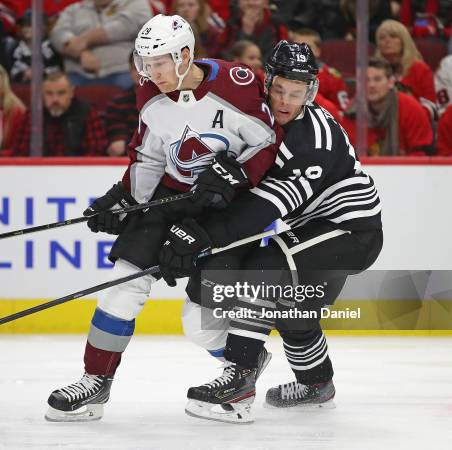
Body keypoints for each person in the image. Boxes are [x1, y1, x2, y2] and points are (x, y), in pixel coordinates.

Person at [45, 14, 280, 422]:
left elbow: (267, 142)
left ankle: (243, 366)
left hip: (230, 208)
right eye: (145, 64)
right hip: (174, 197)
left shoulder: (236, 83)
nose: (151, 73)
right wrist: (127, 200)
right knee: (123, 282)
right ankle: (95, 380)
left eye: (160, 63)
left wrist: (234, 174)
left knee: (200, 322)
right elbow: (149, 151)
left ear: (186, 56)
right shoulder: (149, 92)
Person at [159, 40, 383, 423]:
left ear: (310, 92)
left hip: (350, 231)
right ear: (268, 82)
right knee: (293, 305)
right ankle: (316, 384)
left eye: (297, 93)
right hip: (315, 228)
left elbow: (262, 210)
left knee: (266, 264)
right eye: (280, 89)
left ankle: (240, 380)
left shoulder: (313, 141)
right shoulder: (259, 119)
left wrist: (203, 237)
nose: (285, 100)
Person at [50, 0, 153, 89]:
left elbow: (127, 25)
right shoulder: (73, 10)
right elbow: (57, 34)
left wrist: (85, 40)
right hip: (78, 73)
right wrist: (81, 53)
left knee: (139, 84)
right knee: (57, 88)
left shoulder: (135, 3)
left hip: (123, 71)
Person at [342, 57, 434, 156]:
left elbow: (421, 154)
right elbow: (347, 155)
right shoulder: (351, 112)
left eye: (377, 79)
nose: (371, 85)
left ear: (390, 82)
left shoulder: (411, 108)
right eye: (366, 80)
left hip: (406, 169)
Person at [15, 71, 107, 156]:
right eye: (49, 93)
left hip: (77, 170)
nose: (55, 99)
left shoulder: (87, 112)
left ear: (71, 92)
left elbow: (97, 151)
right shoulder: (33, 115)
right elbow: (21, 152)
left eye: (61, 93)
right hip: (40, 170)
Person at [375, 19, 437, 104]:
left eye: (393, 36)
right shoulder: (373, 70)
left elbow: (431, 105)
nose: (387, 40)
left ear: (404, 41)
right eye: (382, 38)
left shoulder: (421, 69)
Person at [292, 27, 350, 111]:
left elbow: (341, 112)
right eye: (296, 46)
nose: (301, 51)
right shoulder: (280, 73)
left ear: (317, 51)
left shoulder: (332, 78)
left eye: (307, 47)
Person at [9, 9, 64, 82]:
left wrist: (40, 74)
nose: (26, 28)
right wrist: (23, 74)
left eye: (30, 25)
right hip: (21, 88)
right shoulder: (16, 48)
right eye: (24, 25)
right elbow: (11, 72)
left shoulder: (51, 48)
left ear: (43, 27)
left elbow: (57, 70)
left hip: (47, 88)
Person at [103, 53, 140, 156]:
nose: (140, 73)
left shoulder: (170, 100)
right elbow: (118, 144)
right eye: (135, 68)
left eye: (146, 68)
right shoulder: (117, 104)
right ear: (130, 71)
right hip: (129, 162)